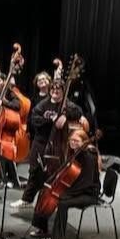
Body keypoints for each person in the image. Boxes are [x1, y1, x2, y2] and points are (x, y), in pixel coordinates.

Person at [10, 80, 84, 210]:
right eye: (53, 89)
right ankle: (26, 199)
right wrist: (51, 120)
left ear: (63, 91)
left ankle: (51, 201)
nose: (55, 92)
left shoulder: (66, 105)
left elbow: (78, 112)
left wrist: (65, 115)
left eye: (58, 89)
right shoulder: (43, 105)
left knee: (54, 175)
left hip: (57, 146)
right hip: (41, 143)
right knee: (34, 171)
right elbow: (34, 120)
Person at [29, 129, 101, 239]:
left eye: (76, 141)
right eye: (71, 140)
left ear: (84, 141)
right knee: (44, 191)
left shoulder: (89, 156)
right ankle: (42, 229)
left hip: (89, 193)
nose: (73, 143)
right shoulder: (77, 152)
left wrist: (67, 193)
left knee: (62, 202)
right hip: (79, 189)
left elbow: (86, 182)